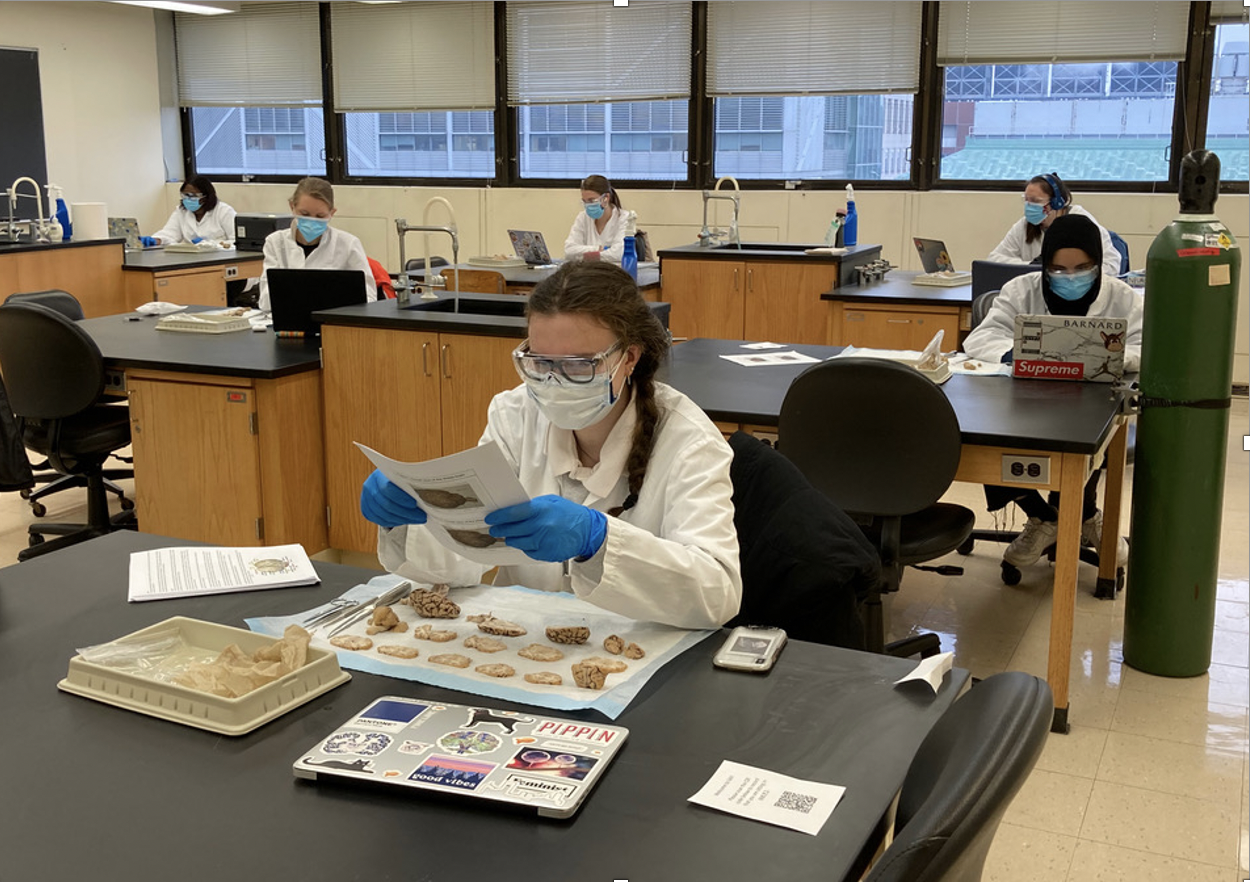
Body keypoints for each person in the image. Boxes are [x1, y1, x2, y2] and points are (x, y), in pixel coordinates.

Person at [360, 261, 742, 630]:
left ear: (629, 357)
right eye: (541, 363)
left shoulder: (688, 441)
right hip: (522, 644)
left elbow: (717, 594)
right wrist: (417, 518)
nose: (554, 382)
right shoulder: (514, 415)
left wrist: (600, 541)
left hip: (635, 654)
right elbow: (468, 558)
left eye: (579, 365)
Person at [966, 213, 1143, 570]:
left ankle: (1084, 513)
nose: (1070, 277)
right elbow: (980, 338)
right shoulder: (1022, 290)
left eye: (1082, 267)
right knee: (990, 437)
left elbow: (1146, 344)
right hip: (1027, 399)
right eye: (1059, 269)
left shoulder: (1123, 298)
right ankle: (1046, 518)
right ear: (1045, 264)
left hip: (1093, 399)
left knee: (1082, 442)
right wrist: (1013, 353)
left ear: (1097, 263)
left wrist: (1107, 356)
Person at [256, 177, 374, 312]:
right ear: (292, 206)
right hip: (288, 322)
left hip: (334, 322)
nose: (312, 221)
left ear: (332, 213)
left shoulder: (348, 244)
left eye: (320, 216)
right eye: (304, 214)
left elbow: (368, 297)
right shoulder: (275, 242)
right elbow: (265, 301)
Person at [988, 172, 1121, 279]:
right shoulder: (1025, 225)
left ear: (1057, 203)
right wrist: (1031, 267)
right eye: (1026, 200)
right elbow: (994, 260)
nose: (1029, 206)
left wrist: (1073, 276)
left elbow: (1111, 265)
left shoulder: (1080, 222)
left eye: (1035, 201)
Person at [140, 176, 235, 247]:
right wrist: (156, 240)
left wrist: (211, 245)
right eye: (185, 195)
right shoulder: (181, 212)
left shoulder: (224, 212)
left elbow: (236, 242)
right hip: (190, 260)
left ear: (206, 197)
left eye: (193, 196)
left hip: (220, 259)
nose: (188, 199)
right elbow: (170, 234)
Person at [563, 175, 637, 265]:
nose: (587, 205)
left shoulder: (624, 218)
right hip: (586, 272)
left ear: (606, 198)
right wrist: (599, 248)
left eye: (591, 200)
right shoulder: (582, 217)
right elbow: (569, 251)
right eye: (584, 201)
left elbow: (618, 254)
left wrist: (586, 255)